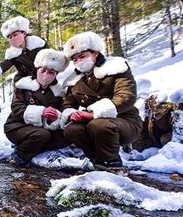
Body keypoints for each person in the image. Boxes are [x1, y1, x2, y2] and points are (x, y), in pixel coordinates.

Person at [60, 31, 142, 169]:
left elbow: (126, 96)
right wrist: (71, 113)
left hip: (125, 120)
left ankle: (112, 164)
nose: (79, 61)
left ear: (95, 53)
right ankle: (97, 161)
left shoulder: (116, 68)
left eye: (82, 56)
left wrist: (92, 114)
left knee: (99, 125)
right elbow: (67, 103)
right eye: (75, 59)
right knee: (72, 130)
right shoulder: (74, 80)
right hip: (91, 121)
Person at [4, 48, 70, 166]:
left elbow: (62, 111)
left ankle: (35, 150)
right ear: (37, 70)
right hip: (17, 126)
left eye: (50, 72)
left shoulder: (58, 92)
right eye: (43, 70)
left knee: (66, 136)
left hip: (44, 128)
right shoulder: (23, 85)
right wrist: (42, 112)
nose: (45, 75)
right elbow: (17, 107)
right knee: (41, 135)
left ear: (56, 75)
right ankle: (20, 155)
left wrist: (57, 116)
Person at [0, 16, 48, 83]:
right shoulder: (12, 54)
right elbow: (3, 65)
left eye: (15, 35)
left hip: (47, 75)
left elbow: (52, 59)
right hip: (27, 79)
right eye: (10, 37)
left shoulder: (39, 44)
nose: (13, 38)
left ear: (24, 33)